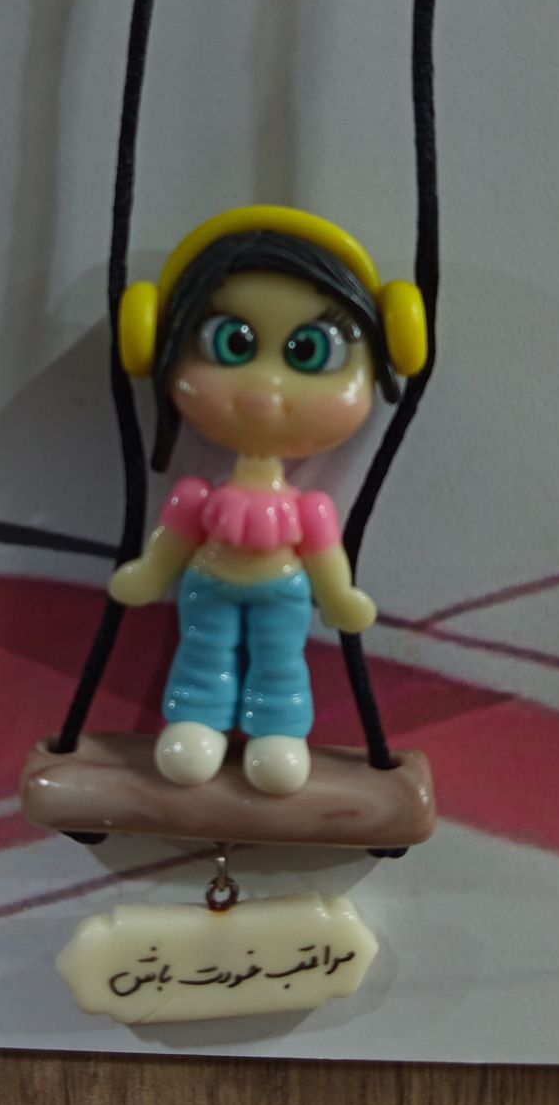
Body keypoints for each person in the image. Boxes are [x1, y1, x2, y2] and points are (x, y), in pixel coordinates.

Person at [109, 206, 425, 796]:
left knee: (280, 658)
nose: (264, 391)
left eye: (311, 350)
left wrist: (338, 596)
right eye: (230, 343)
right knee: (202, 650)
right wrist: (151, 572)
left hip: (283, 589)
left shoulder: (309, 512)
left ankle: (278, 731)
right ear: (153, 340)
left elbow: (325, 557)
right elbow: (173, 540)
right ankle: (196, 721)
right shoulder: (196, 497)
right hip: (208, 581)